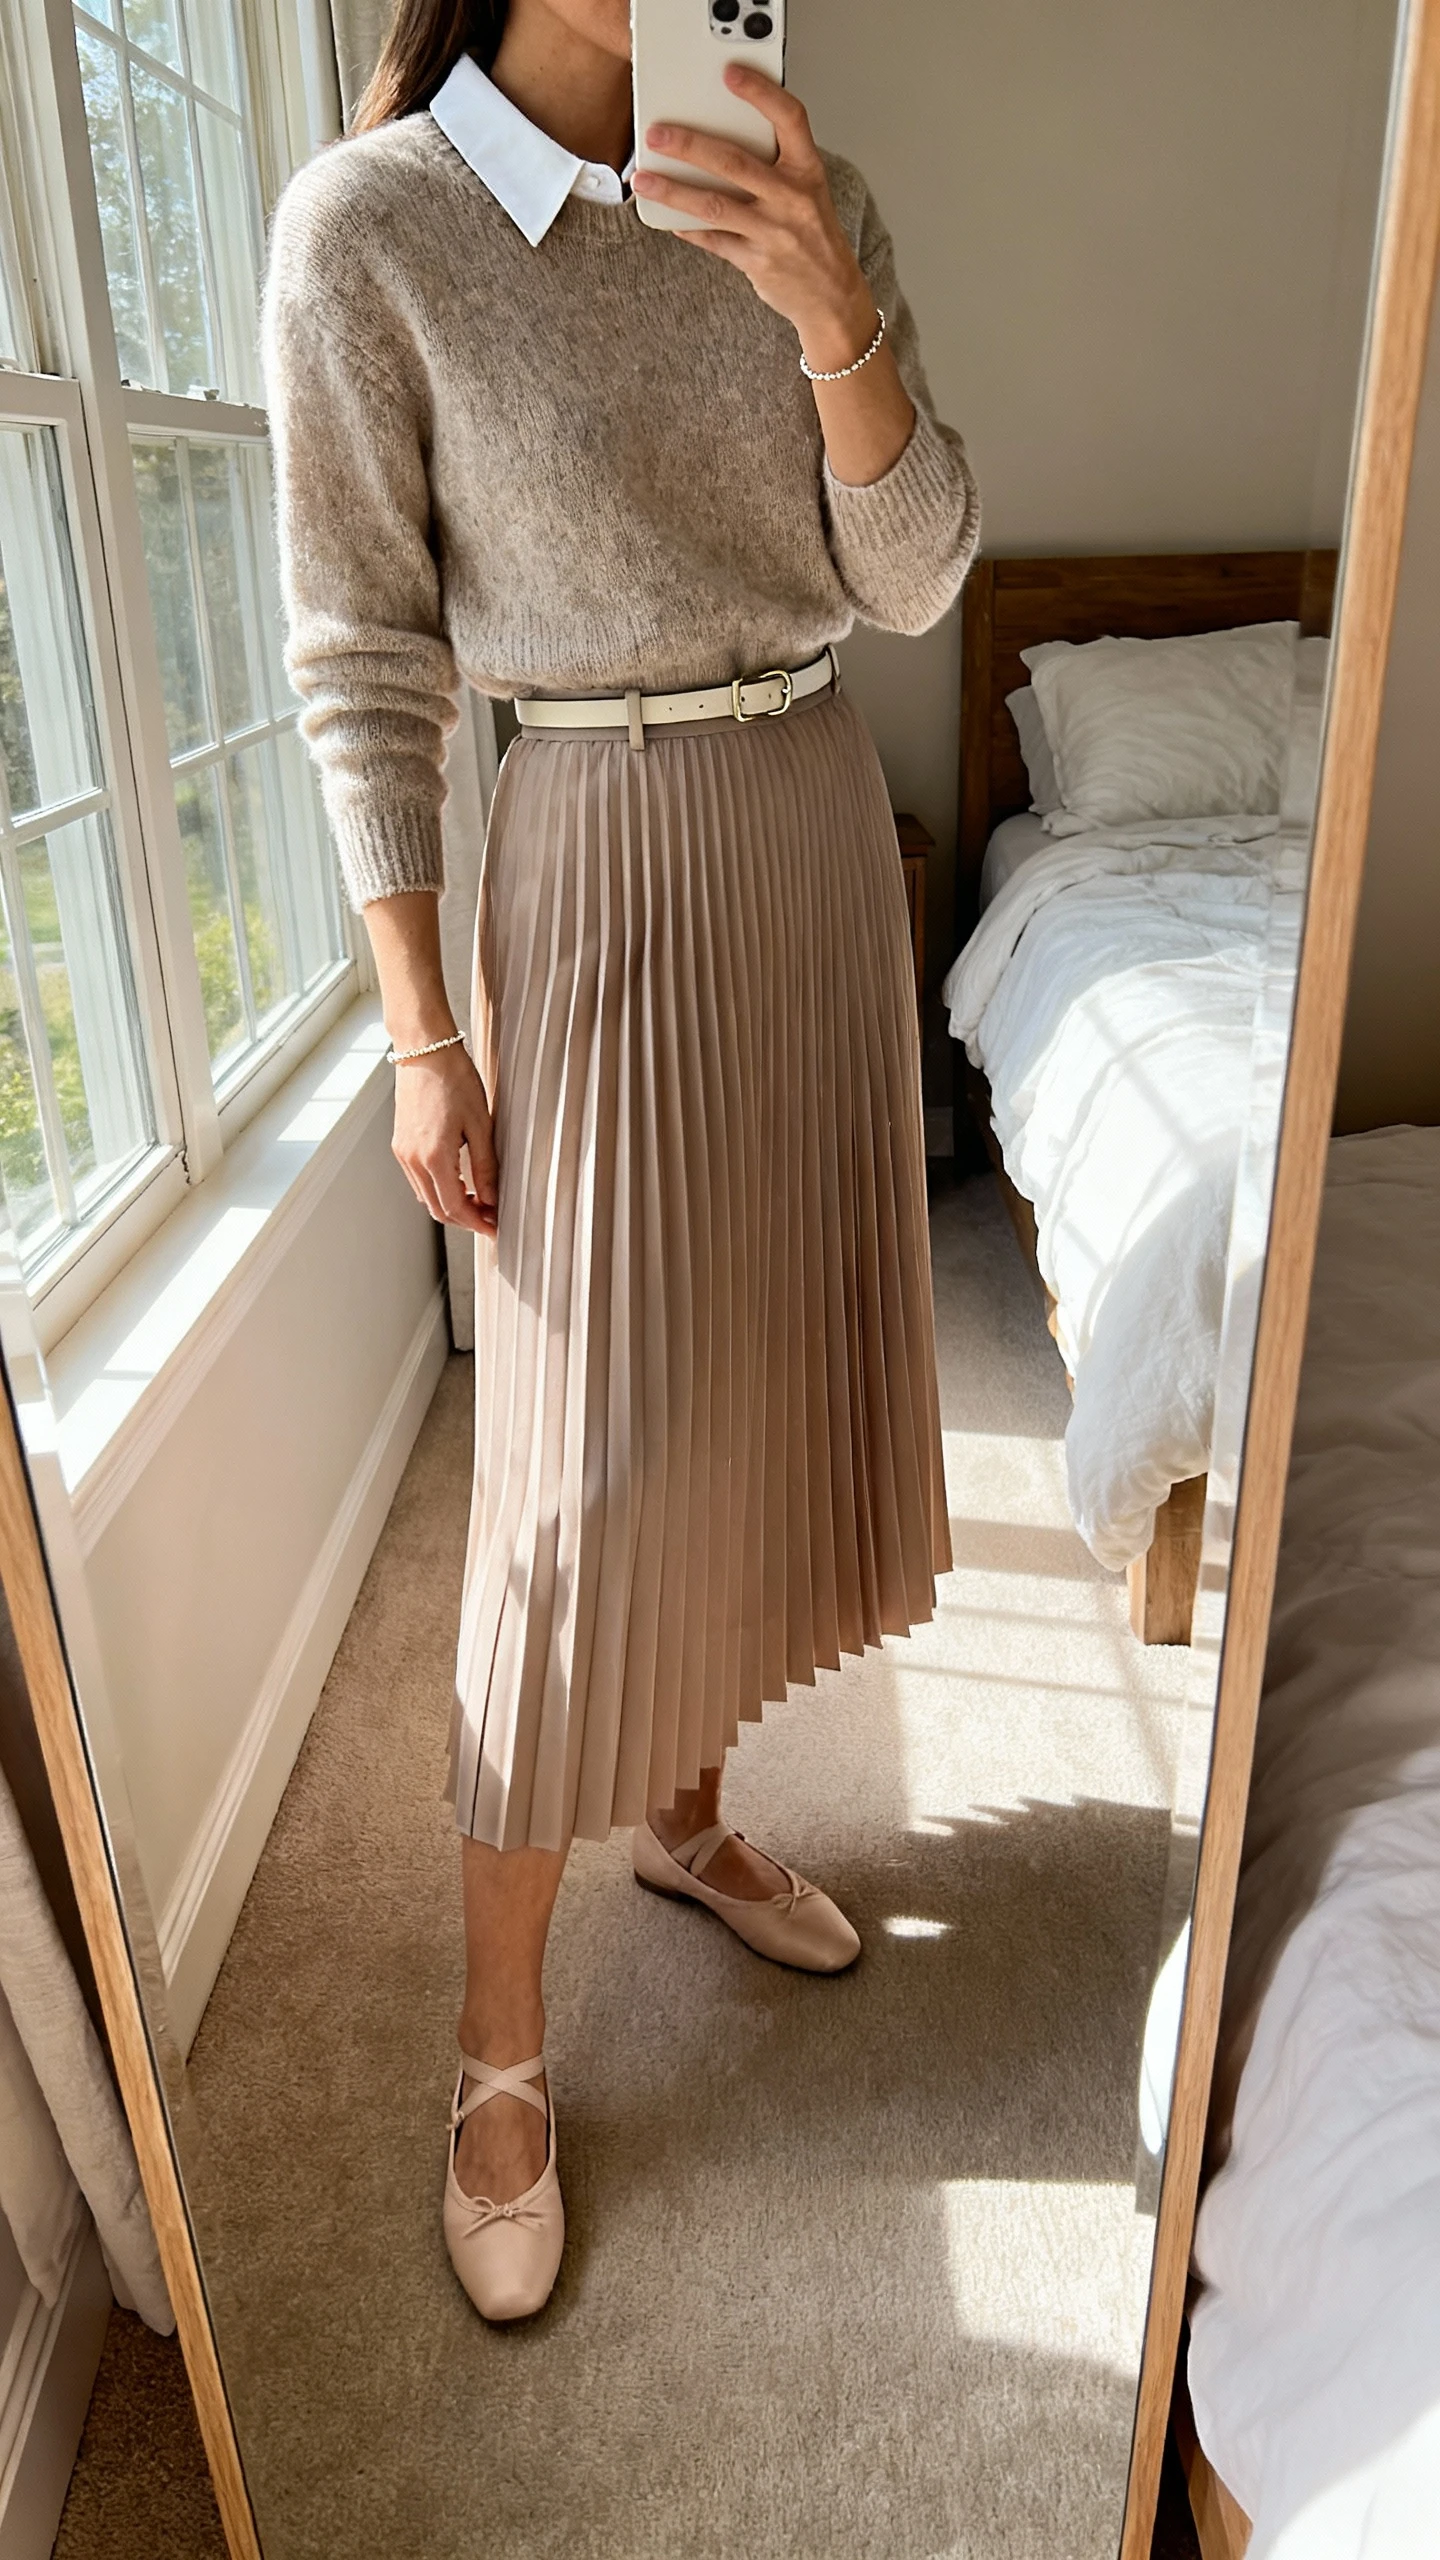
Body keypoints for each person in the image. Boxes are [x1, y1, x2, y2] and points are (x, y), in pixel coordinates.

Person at [261, 0, 978, 2324]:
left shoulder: (802, 183)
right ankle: (493, 2045)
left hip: (803, 827)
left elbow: (919, 573)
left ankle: (678, 1810)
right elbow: (365, 645)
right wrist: (417, 1026)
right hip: (586, 853)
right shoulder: (374, 230)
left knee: (765, 1375)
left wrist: (833, 315)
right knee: (574, 1485)